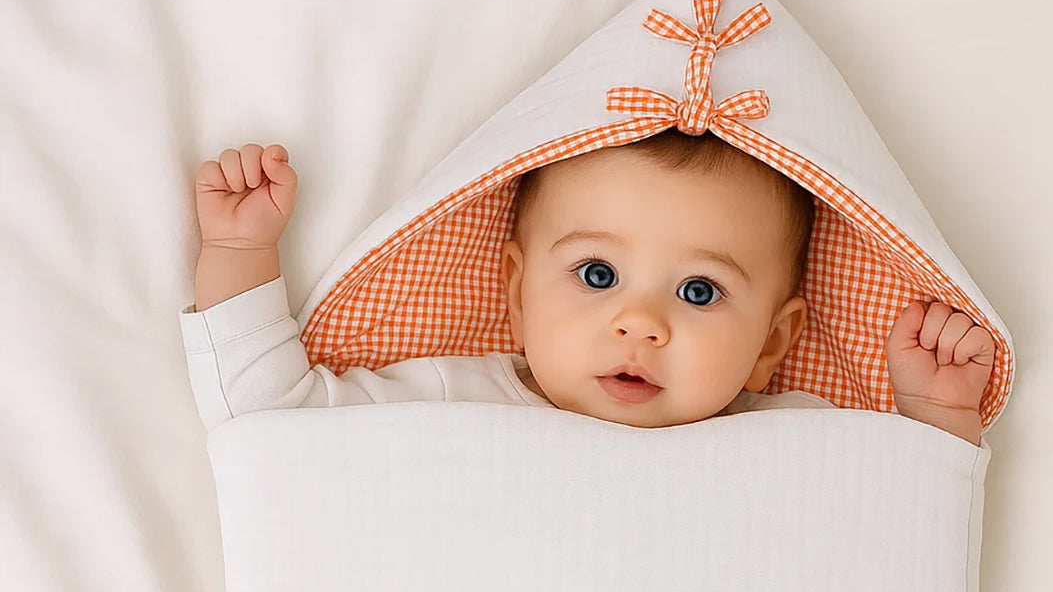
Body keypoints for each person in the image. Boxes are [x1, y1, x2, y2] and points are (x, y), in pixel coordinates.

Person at [184, 134, 994, 446]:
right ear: (515, 292)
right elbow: (267, 421)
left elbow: (905, 532)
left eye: (702, 292)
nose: (639, 323)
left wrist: (935, 419)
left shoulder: (797, 443)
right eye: (597, 276)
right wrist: (238, 249)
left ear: (773, 345)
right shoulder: (449, 401)